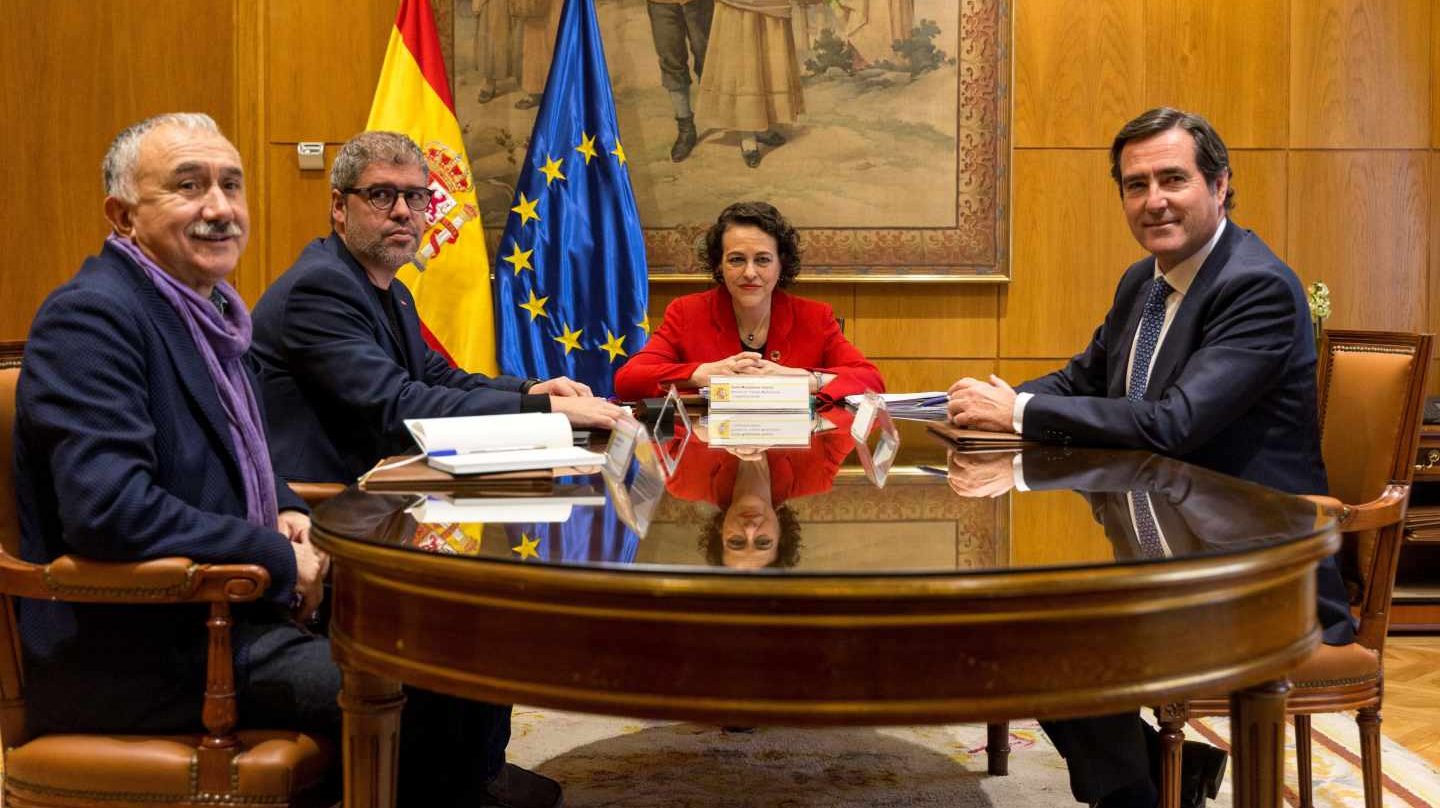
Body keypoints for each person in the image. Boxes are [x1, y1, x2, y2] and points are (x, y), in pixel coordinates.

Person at [14, 112, 563, 808]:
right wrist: (273, 552)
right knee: (429, 679)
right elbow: (110, 511)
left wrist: (289, 510)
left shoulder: (204, 310)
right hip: (161, 640)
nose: (219, 207)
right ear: (122, 216)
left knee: (462, 627)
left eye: (230, 185)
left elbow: (246, 449)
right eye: (189, 186)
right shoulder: (92, 319)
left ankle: (462, 783)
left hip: (236, 607)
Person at [943, 107, 1355, 808]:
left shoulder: (1254, 286)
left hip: (1257, 574)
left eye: (1173, 179)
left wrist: (1016, 414)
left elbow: (1175, 423)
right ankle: (1163, 776)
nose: (1153, 200)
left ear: (1220, 184)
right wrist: (996, 401)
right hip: (1165, 543)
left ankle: (1132, 796)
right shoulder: (1146, 281)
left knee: (1059, 637)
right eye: (1136, 185)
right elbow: (1082, 380)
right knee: (1025, 621)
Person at [250, 130, 622, 485]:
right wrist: (549, 412)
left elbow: (441, 379)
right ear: (339, 207)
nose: (402, 212)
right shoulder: (318, 289)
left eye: (415, 197)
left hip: (383, 485)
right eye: (381, 195)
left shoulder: (393, 291)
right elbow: (397, 405)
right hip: (321, 506)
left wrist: (533, 391)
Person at [613, 201, 883, 404]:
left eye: (763, 260)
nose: (750, 272)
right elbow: (628, 380)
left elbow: (872, 381)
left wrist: (807, 380)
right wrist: (700, 373)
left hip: (796, 453)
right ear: (720, 264)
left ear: (781, 264)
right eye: (737, 259)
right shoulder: (687, 312)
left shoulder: (814, 316)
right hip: (709, 451)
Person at [667, 410, 856, 568]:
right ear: (780, 534)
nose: (750, 529)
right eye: (763, 542)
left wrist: (694, 428)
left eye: (736, 542)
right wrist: (813, 422)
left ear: (720, 532)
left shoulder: (683, 481)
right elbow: (864, 413)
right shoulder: (816, 475)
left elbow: (645, 412)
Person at [695, 0, 805, 167]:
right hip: (736, 6)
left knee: (770, 57)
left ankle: (762, 126)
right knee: (744, 64)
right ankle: (748, 136)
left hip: (771, 4)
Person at [646, 0, 714, 161]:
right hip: (661, 4)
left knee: (709, 58)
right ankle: (686, 128)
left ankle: (741, 120)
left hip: (698, 4)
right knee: (671, 60)